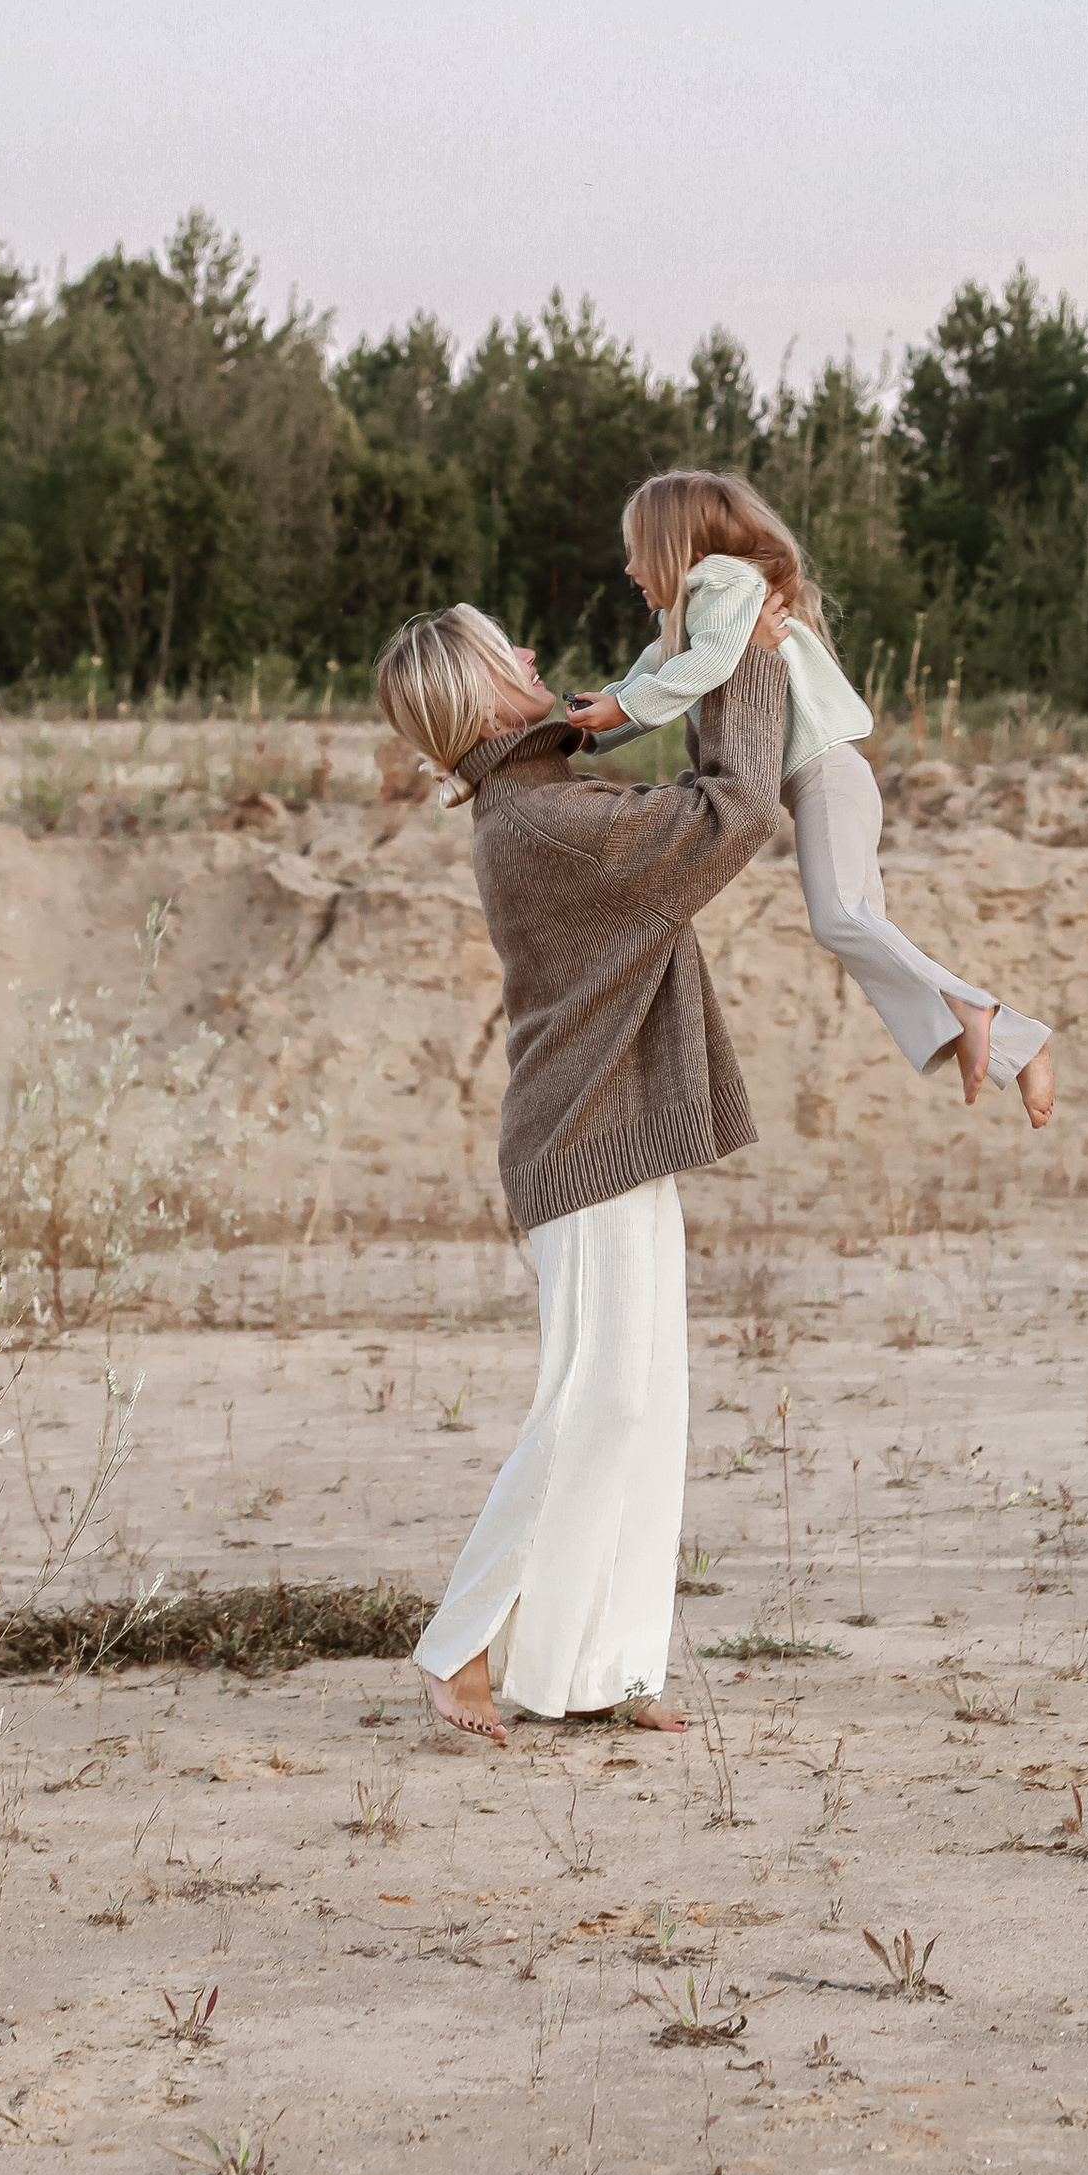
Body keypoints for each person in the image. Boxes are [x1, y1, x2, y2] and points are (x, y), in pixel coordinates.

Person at [371, 590, 790, 1749]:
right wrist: (739, 663)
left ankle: (601, 1667)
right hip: (583, 1141)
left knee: (643, 1401)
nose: (533, 651)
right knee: (598, 1401)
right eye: (510, 649)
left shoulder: (544, 799)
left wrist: (687, 670)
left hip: (615, 1130)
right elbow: (738, 810)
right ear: (478, 693)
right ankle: (460, 1643)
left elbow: (692, 793)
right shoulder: (551, 822)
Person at [567, 471, 1057, 1128]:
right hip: (823, 783)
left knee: (841, 919)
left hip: (827, 774)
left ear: (678, 547)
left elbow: (706, 668)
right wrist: (580, 729)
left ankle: (999, 1030)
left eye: (637, 551)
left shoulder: (725, 582)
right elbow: (642, 685)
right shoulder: (681, 618)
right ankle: (982, 1030)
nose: (628, 568)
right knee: (860, 928)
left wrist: (623, 705)